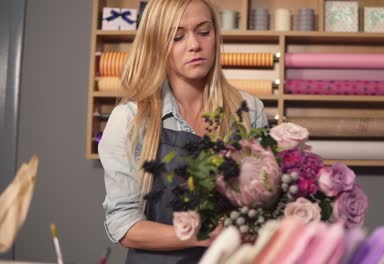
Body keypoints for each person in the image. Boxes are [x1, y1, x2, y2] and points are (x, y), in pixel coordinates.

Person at [98, 0, 268, 263]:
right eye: (177, 36)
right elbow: (125, 226)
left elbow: (265, 203)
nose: (194, 45)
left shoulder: (249, 111)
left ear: (215, 35)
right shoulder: (131, 119)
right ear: (157, 44)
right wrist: (203, 234)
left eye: (203, 32)